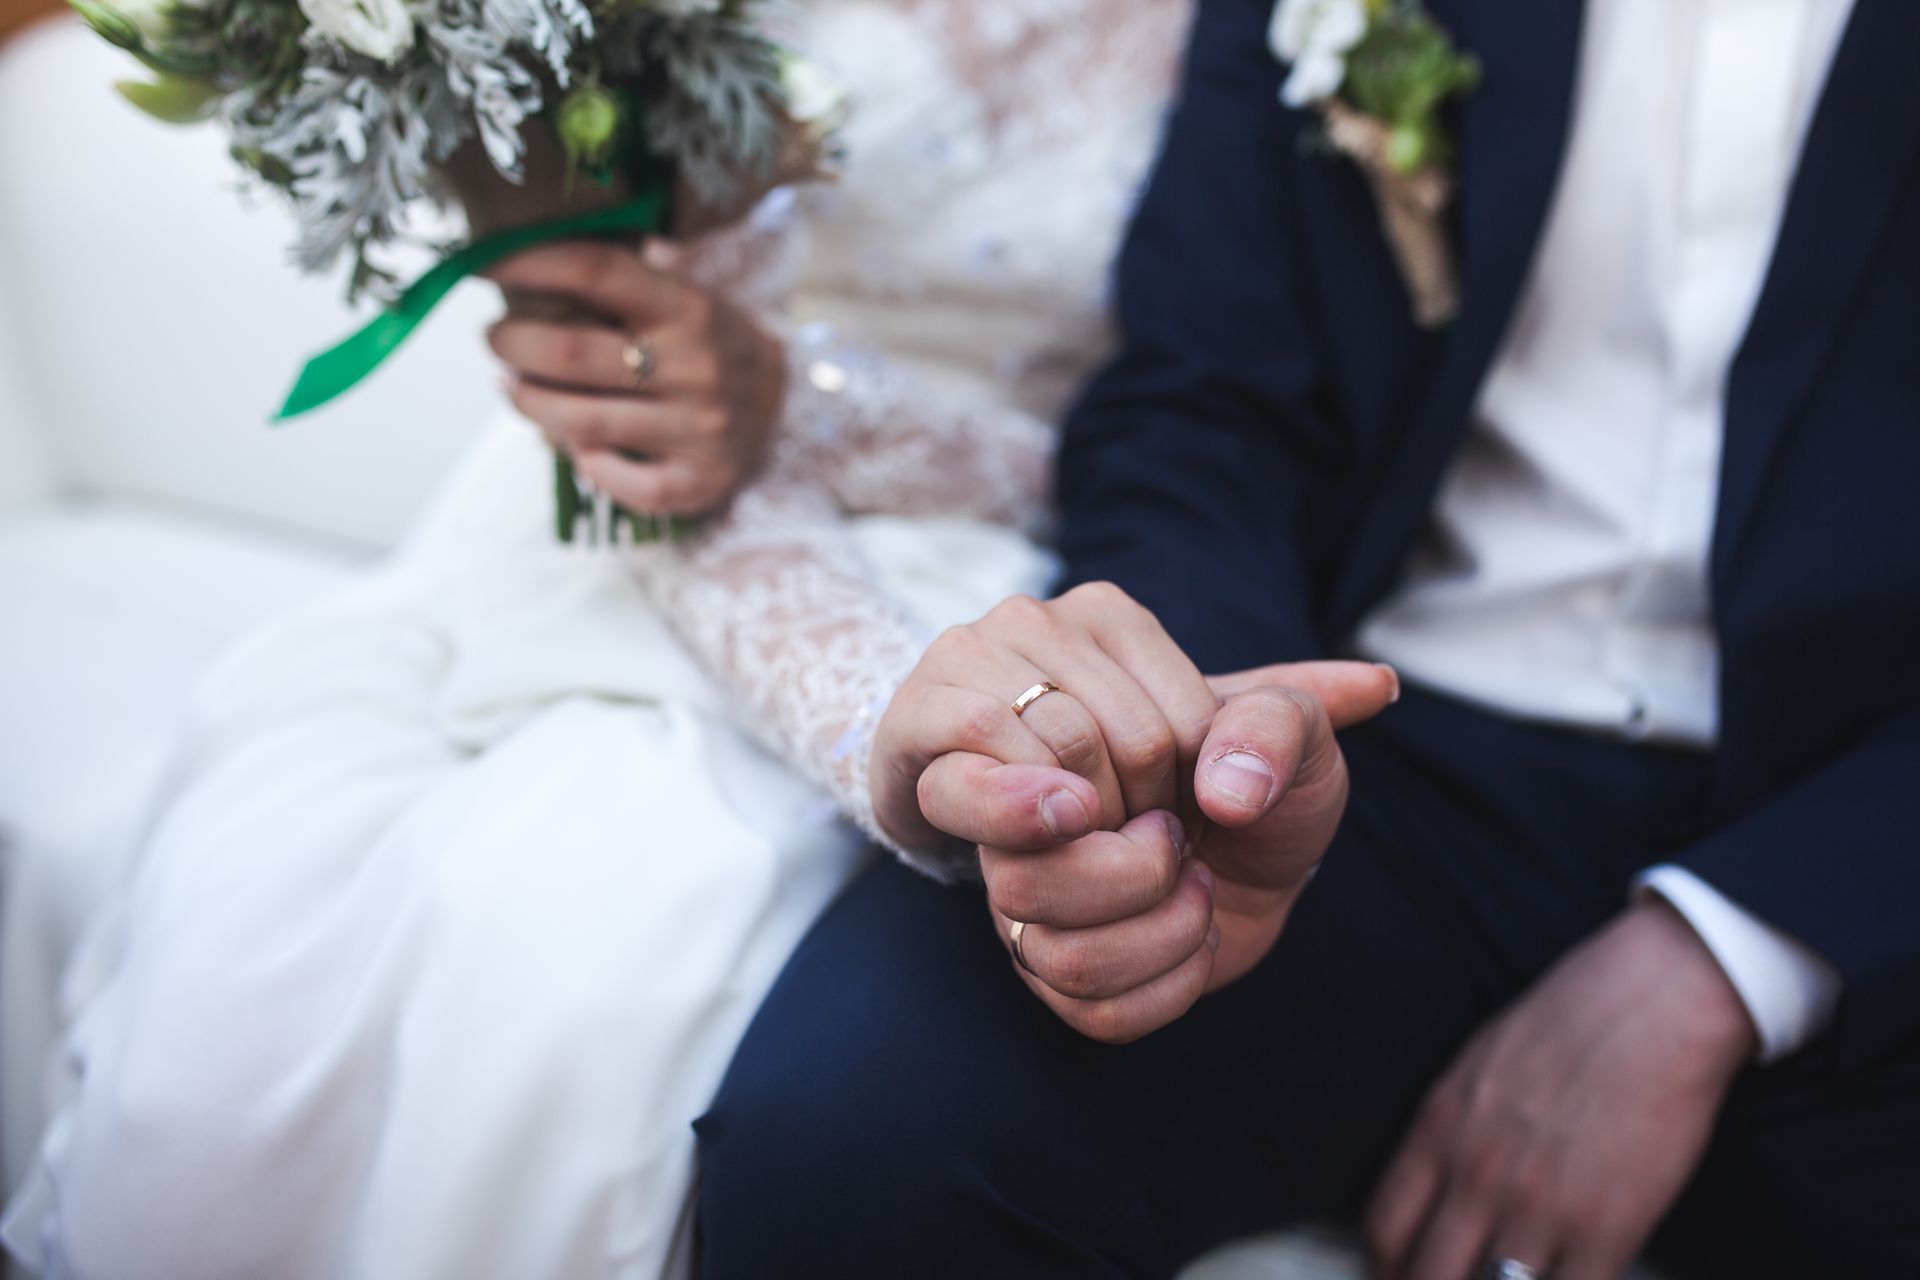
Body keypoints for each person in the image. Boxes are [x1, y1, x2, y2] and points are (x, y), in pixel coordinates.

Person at [0, 3, 1335, 1277]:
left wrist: (801, 416)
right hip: (623, 525)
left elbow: (1183, 433)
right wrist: (684, 410)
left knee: (602, 957)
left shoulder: (1292, 34)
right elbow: (652, 333)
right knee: (273, 948)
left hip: (984, 565)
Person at [694, 0, 1920, 1276]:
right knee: (862, 1147)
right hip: (1385, 744)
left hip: (1863, 812)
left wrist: (1734, 951)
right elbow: (1206, 395)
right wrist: (1205, 722)